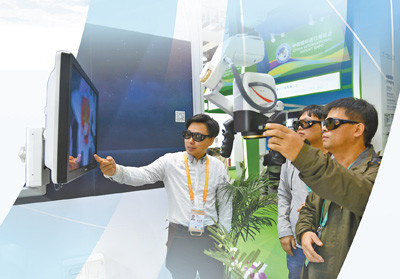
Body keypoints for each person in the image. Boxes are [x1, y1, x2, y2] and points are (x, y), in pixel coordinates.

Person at [94, 113, 232, 279]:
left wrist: (224, 239)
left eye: (198, 137)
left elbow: (226, 204)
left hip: (211, 236)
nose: (190, 141)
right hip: (180, 237)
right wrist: (116, 171)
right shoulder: (170, 162)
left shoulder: (218, 167)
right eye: (187, 135)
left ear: (211, 140)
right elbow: (142, 175)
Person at [263, 97, 380, 279]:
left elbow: (354, 191)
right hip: (314, 267)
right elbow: (308, 209)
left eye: (332, 123)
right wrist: (305, 232)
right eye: (324, 123)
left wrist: (302, 154)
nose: (324, 128)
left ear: (358, 129)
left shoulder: (378, 173)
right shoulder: (329, 170)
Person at [278, 105, 327, 279]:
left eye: (306, 123)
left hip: (328, 240)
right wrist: (284, 231)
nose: (299, 127)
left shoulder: (337, 160)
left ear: (324, 126)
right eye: (298, 123)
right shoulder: (291, 159)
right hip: (297, 239)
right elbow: (284, 195)